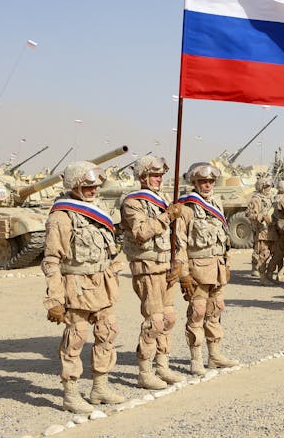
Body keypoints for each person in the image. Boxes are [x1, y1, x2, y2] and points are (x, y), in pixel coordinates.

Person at [42, 161, 125, 413]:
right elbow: (52, 260)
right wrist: (54, 299)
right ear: (74, 185)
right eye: (87, 186)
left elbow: (112, 246)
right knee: (76, 338)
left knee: (107, 332)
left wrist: (115, 270)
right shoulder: (62, 216)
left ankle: (99, 387)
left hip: (101, 283)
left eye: (96, 185)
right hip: (76, 286)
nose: (93, 190)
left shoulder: (98, 208)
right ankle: (70, 393)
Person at [120, 155, 185, 390]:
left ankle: (162, 365)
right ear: (142, 177)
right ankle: (145, 371)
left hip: (165, 265)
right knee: (155, 320)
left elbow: (175, 234)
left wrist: (179, 261)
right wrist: (167, 216)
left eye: (160, 176)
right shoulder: (133, 202)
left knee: (169, 318)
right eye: (153, 175)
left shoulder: (163, 199)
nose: (158, 179)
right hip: (147, 266)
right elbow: (141, 233)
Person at [175, 162, 239, 375]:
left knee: (215, 310)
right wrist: (183, 274)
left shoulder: (217, 203)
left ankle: (215, 354)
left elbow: (224, 236)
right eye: (203, 181)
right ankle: (196, 358)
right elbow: (179, 243)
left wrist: (227, 263)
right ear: (194, 182)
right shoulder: (186, 207)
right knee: (197, 312)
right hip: (198, 269)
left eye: (210, 181)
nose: (207, 185)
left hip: (217, 267)